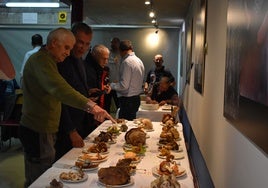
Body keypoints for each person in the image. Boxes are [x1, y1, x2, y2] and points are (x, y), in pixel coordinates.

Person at [19, 27, 114, 187]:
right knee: (40, 180)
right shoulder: (41, 60)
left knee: (46, 173)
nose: (68, 53)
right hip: (38, 129)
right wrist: (92, 106)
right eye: (66, 47)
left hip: (45, 129)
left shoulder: (50, 60)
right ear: (54, 43)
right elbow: (60, 89)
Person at [55, 23, 94, 161]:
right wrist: (71, 131)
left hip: (80, 122)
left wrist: (88, 95)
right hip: (65, 127)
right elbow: (60, 98)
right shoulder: (61, 60)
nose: (82, 47)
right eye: (79, 42)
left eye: (87, 44)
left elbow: (76, 88)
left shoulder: (79, 60)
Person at [110, 40, 145, 120]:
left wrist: (111, 85)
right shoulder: (139, 61)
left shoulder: (127, 62)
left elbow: (124, 86)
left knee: (124, 127)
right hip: (136, 98)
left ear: (121, 51)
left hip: (127, 101)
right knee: (131, 125)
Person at [85, 44, 111, 113]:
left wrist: (107, 87)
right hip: (88, 107)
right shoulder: (85, 68)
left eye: (107, 59)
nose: (106, 62)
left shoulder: (104, 69)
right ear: (95, 56)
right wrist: (87, 92)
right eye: (103, 59)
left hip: (102, 104)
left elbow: (105, 82)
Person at [106, 37, 121, 113]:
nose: (112, 44)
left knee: (119, 105)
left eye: (114, 42)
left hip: (117, 85)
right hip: (108, 84)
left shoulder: (121, 55)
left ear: (118, 44)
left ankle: (120, 121)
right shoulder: (107, 53)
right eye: (111, 42)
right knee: (106, 105)